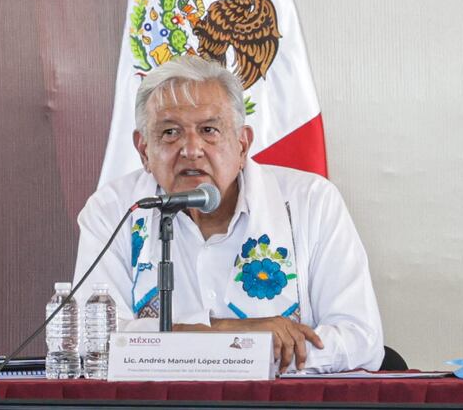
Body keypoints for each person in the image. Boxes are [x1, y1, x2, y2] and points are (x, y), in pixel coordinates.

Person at [73, 55, 383, 372]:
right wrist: (229, 333)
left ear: (242, 144)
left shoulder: (311, 202)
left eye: (209, 130)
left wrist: (201, 349)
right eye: (169, 133)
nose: (191, 149)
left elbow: (360, 340)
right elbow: (91, 342)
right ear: (143, 151)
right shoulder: (114, 210)